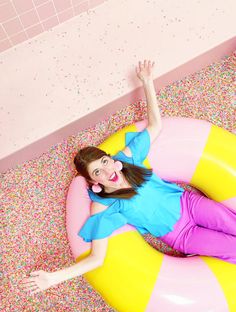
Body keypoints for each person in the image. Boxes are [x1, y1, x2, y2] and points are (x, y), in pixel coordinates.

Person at [21, 60, 236, 296]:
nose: (106, 172)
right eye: (97, 173)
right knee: (231, 248)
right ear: (94, 183)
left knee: (230, 223)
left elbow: (155, 125)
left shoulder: (127, 161)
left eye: (104, 163)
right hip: (183, 235)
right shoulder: (102, 205)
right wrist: (53, 278)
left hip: (190, 204)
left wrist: (147, 82)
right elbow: (96, 258)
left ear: (111, 159)